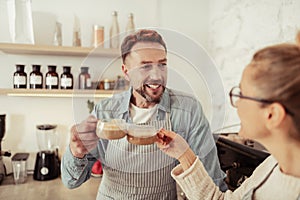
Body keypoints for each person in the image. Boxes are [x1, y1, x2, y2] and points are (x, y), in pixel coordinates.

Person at [61, 29, 227, 199]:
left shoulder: (188, 110)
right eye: (145, 66)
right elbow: (71, 181)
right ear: (126, 72)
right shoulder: (105, 111)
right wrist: (76, 151)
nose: (156, 75)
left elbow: (211, 182)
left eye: (162, 64)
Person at [156, 32, 300, 200]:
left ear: (272, 114)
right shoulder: (273, 166)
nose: (237, 103)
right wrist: (184, 154)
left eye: (243, 95)